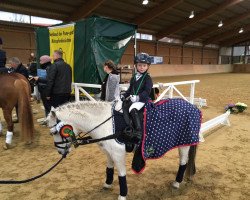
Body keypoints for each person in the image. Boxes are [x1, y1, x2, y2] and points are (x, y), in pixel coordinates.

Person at [121, 52, 153, 144]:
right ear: (136, 66)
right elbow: (130, 89)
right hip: (133, 99)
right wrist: (124, 95)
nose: (142, 67)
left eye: (144, 65)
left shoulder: (147, 78)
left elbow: (147, 92)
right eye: (139, 65)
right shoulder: (134, 77)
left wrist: (138, 97)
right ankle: (128, 127)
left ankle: (138, 131)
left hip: (142, 100)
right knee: (123, 107)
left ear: (147, 66)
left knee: (133, 109)